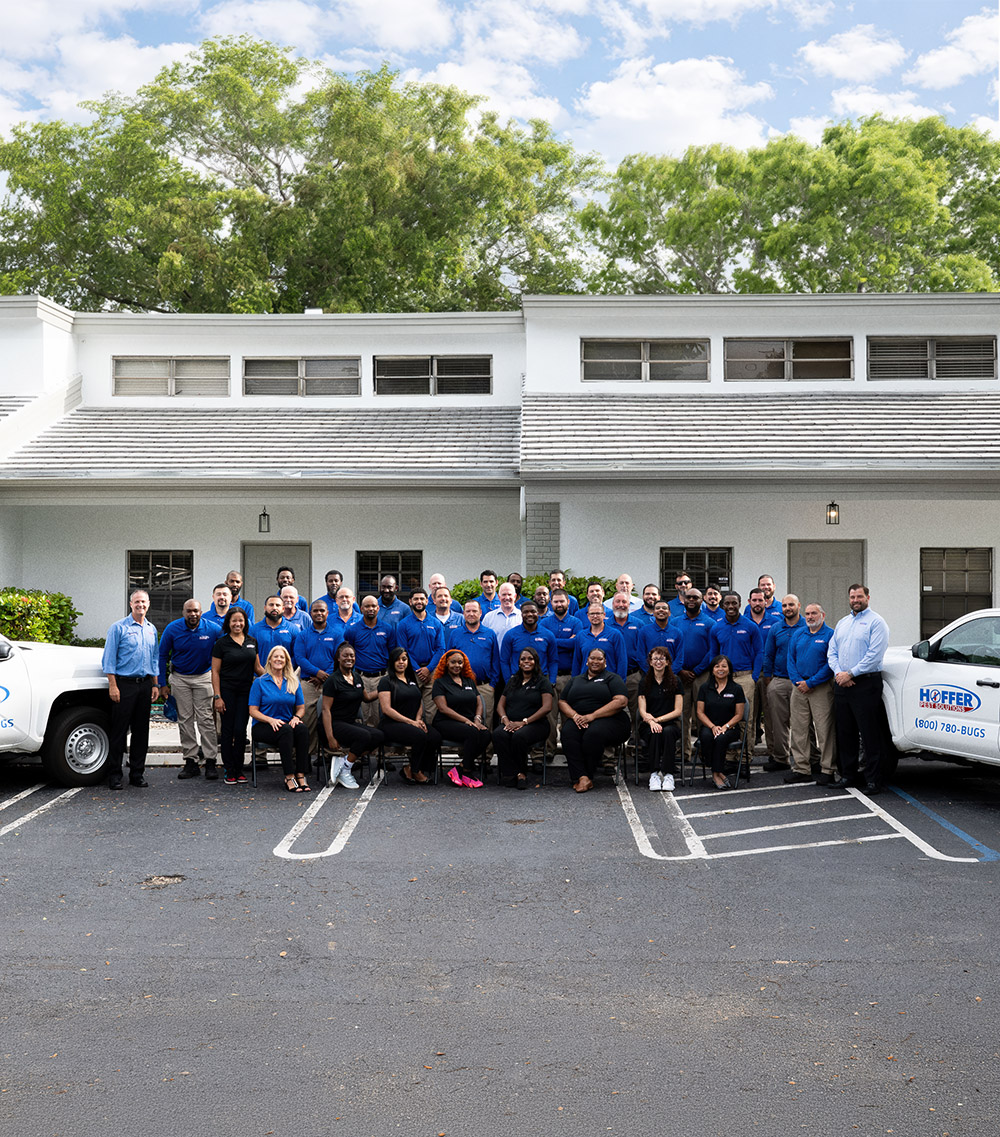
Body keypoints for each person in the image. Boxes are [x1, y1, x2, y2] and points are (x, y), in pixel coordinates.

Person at [827, 584, 891, 793]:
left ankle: (874, 780)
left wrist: (851, 673)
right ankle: (848, 775)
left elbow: (874, 655)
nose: (855, 600)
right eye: (852, 597)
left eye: (859, 596)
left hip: (866, 684)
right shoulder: (843, 623)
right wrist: (839, 674)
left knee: (870, 733)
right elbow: (832, 651)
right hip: (842, 684)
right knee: (845, 733)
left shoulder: (876, 622)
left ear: (868, 597)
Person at [102, 590, 159, 790]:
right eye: (136, 602)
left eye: (143, 602)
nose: (140, 605)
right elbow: (108, 659)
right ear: (130, 603)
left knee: (141, 732)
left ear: (148, 604)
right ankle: (115, 775)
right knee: (119, 732)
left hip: (144, 685)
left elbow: (154, 659)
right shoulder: (118, 628)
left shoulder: (152, 629)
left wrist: (155, 684)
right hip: (123, 685)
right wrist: (113, 685)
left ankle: (137, 773)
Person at [158, 598, 220, 781]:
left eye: (196, 611)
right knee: (185, 720)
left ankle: (210, 760)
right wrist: (162, 684)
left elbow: (225, 650)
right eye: (189, 611)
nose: (193, 614)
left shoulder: (213, 629)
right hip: (180, 679)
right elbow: (162, 656)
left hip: (204, 677)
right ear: (183, 612)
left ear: (201, 612)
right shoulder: (172, 629)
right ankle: (191, 761)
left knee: (206, 720)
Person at [558, 648, 630, 793]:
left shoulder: (612, 678)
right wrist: (574, 715)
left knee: (593, 733)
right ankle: (581, 776)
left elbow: (621, 701)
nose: (595, 662)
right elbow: (562, 701)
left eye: (599, 659)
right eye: (592, 658)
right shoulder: (576, 680)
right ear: (586, 661)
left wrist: (593, 715)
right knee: (567, 732)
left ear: (605, 662)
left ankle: (588, 774)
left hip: (611, 720)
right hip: (580, 718)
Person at [321, 641, 384, 788]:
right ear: (338, 658)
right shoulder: (332, 680)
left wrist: (384, 690)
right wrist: (330, 737)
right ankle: (346, 770)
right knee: (364, 736)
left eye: (352, 656)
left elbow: (366, 698)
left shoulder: (356, 677)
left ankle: (345, 761)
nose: (349, 658)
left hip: (349, 723)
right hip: (334, 723)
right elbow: (325, 710)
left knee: (379, 735)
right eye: (345, 656)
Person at [787, 603, 837, 786]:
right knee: (799, 730)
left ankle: (827, 769)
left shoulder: (830, 635)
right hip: (799, 687)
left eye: (814, 613)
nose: (809, 616)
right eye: (807, 613)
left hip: (820, 688)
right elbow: (790, 659)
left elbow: (831, 663)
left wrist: (811, 682)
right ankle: (801, 768)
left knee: (825, 731)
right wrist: (798, 681)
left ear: (822, 615)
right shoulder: (799, 633)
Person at [249, 645, 310, 793]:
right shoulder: (260, 682)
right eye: (275, 656)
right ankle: (289, 776)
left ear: (286, 661)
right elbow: (253, 711)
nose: (278, 659)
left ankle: (300, 774)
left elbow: (301, 708)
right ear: (269, 660)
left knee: (301, 729)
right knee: (286, 730)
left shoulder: (293, 681)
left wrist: (296, 717)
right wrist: (270, 720)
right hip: (263, 726)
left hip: (286, 724)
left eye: (282, 657)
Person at [211, 607, 261, 784]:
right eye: (234, 621)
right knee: (227, 730)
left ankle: (239, 768)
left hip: (246, 692)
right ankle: (228, 769)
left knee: (240, 730)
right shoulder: (221, 643)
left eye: (241, 620)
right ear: (228, 623)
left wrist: (277, 676)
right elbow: (215, 672)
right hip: (227, 691)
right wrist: (218, 697)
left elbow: (257, 668)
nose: (237, 624)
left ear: (245, 622)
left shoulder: (252, 641)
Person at [378, 647, 442, 785]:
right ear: (392, 662)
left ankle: (411, 768)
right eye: (398, 660)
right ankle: (416, 771)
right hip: (391, 724)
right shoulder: (386, 681)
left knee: (435, 736)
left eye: (404, 659)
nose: (401, 662)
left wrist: (418, 720)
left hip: (413, 722)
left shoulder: (411, 678)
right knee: (420, 735)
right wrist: (411, 722)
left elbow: (419, 701)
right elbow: (386, 709)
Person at [493, 647, 554, 789]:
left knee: (519, 736)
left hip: (536, 724)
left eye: (530, 659)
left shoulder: (542, 681)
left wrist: (524, 722)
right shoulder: (513, 680)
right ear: (519, 663)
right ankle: (510, 772)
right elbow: (500, 705)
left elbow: (547, 707)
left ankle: (521, 773)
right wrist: (506, 720)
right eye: (523, 659)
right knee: (498, 734)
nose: (526, 661)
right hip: (511, 722)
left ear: (536, 662)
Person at [761, 594, 806, 773]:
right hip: (779, 680)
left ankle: (808, 758)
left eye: (791, 605)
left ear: (799, 606)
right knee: (778, 723)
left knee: (803, 723)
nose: (787, 608)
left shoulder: (807, 627)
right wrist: (769, 678)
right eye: (785, 605)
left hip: (802, 683)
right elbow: (768, 654)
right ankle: (781, 758)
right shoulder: (775, 628)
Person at [432, 650, 490, 787]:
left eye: (460, 662)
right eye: (453, 662)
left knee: (486, 734)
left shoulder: (469, 681)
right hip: (445, 722)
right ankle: (467, 772)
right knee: (473, 732)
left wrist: (476, 719)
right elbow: (443, 708)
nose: (457, 665)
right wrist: (466, 721)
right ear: (446, 664)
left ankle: (460, 768)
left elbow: (479, 702)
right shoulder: (440, 683)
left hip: (469, 723)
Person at [295, 599, 344, 756]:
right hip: (308, 683)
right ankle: (307, 754)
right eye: (315, 611)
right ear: (310, 613)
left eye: (322, 611)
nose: (319, 613)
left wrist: (325, 675)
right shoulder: (303, 635)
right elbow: (300, 658)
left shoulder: (337, 634)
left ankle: (330, 754)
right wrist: (317, 672)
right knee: (308, 719)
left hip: (330, 684)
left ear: (327, 613)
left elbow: (339, 658)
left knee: (330, 718)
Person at [673, 589, 715, 762]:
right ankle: (682, 753)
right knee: (681, 716)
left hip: (702, 675)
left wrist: (697, 670)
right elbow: (672, 649)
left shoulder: (709, 623)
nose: (691, 600)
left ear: (702, 600)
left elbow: (712, 650)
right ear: (683, 600)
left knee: (703, 716)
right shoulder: (675, 622)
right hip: (680, 675)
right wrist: (680, 670)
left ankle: (705, 753)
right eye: (688, 597)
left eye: (695, 597)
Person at [540, 588, 583, 749]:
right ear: (551, 603)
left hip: (569, 676)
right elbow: (544, 644)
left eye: (562, 601)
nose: (559, 604)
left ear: (568, 603)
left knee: (569, 715)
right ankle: (549, 749)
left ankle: (569, 747)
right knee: (550, 715)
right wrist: (565, 641)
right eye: (556, 601)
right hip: (549, 676)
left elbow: (576, 644)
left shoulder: (576, 622)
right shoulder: (544, 623)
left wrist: (554, 641)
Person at [343, 595, 396, 725]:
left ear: (378, 608)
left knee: (381, 714)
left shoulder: (387, 629)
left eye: (373, 606)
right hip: (361, 678)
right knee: (363, 716)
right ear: (361, 609)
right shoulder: (352, 630)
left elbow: (393, 653)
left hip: (382, 677)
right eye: (367, 606)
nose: (370, 609)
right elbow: (348, 654)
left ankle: (381, 744)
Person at [696, 655, 746, 791]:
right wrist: (712, 726)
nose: (720, 669)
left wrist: (725, 727)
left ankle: (715, 773)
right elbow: (700, 712)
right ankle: (718, 772)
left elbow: (739, 714)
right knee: (707, 736)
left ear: (729, 670)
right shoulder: (705, 688)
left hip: (730, 727)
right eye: (717, 666)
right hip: (709, 725)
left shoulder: (736, 689)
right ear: (712, 670)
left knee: (721, 738)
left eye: (724, 666)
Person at [395, 587, 446, 719]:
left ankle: (429, 736)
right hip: (412, 671)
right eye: (416, 599)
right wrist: (418, 669)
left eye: (422, 599)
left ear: (427, 601)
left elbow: (441, 649)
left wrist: (428, 669)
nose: (419, 601)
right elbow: (403, 650)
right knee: (411, 706)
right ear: (410, 601)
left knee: (431, 709)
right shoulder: (403, 624)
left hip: (432, 670)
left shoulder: (436, 623)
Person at [448, 600, 501, 726]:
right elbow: (448, 660)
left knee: (486, 720)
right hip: (460, 686)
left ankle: (487, 746)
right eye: (468, 611)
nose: (471, 614)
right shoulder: (455, 634)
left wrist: (492, 685)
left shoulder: (490, 634)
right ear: (463, 613)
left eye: (474, 611)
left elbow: (496, 661)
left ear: (480, 613)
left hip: (485, 686)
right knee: (462, 719)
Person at [709, 592, 762, 715]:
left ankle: (749, 736)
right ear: (723, 605)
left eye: (734, 603)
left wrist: (754, 677)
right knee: (724, 714)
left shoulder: (751, 626)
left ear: (740, 605)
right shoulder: (716, 628)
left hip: (745, 676)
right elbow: (713, 654)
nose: (731, 606)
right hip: (723, 677)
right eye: (727, 603)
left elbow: (760, 652)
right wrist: (714, 675)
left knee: (746, 716)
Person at [638, 647, 683, 792]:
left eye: (662, 659)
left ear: (668, 662)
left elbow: (678, 710)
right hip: (648, 725)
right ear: (650, 662)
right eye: (655, 659)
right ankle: (654, 774)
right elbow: (642, 710)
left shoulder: (676, 681)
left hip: (669, 723)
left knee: (668, 732)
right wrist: (651, 721)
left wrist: (658, 720)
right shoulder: (644, 682)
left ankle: (668, 774)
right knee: (655, 733)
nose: (658, 662)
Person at [499, 599, 558, 684]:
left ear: (538, 613)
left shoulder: (548, 635)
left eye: (533, 611)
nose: (529, 614)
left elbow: (553, 661)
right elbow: (504, 661)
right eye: (526, 612)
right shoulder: (510, 635)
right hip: (518, 681)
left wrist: (552, 681)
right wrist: (509, 681)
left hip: (541, 680)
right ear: (521, 614)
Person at [608, 591, 645, 719]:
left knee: (637, 713)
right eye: (617, 601)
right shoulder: (605, 624)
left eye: (624, 602)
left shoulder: (638, 624)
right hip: (610, 677)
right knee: (610, 712)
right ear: (612, 604)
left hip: (633, 676)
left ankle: (636, 738)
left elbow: (643, 650)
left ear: (629, 605)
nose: (621, 604)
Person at [572, 603, 627, 678]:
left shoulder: (615, 635)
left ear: (604, 615)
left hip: (608, 682)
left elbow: (622, 661)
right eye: (592, 614)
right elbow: (576, 662)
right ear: (588, 616)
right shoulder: (581, 636)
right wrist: (574, 683)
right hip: (586, 682)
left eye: (598, 613)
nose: (595, 616)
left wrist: (620, 684)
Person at [252, 595, 299, 667]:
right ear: (265, 608)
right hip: (260, 676)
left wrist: (286, 672)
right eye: (271, 605)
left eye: (277, 605)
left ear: (283, 609)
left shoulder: (293, 629)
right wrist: (262, 674)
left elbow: (297, 655)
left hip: (286, 676)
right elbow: (251, 655)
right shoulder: (254, 630)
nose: (274, 608)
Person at [482, 582, 522, 649]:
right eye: (504, 595)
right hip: (495, 658)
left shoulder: (522, 617)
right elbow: (483, 641)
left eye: (509, 594)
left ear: (515, 596)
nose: (507, 598)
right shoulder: (489, 617)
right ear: (499, 597)